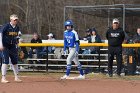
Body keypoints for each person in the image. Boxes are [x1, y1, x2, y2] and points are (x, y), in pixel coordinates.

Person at [0, 14, 22, 83]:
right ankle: (3, 78)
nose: (16, 21)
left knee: (15, 62)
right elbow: (0, 34)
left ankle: (16, 77)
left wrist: (18, 43)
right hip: (5, 46)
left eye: (16, 20)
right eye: (14, 20)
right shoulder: (6, 26)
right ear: (11, 20)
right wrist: (0, 44)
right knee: (5, 61)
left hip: (13, 46)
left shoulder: (17, 27)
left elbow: (17, 36)